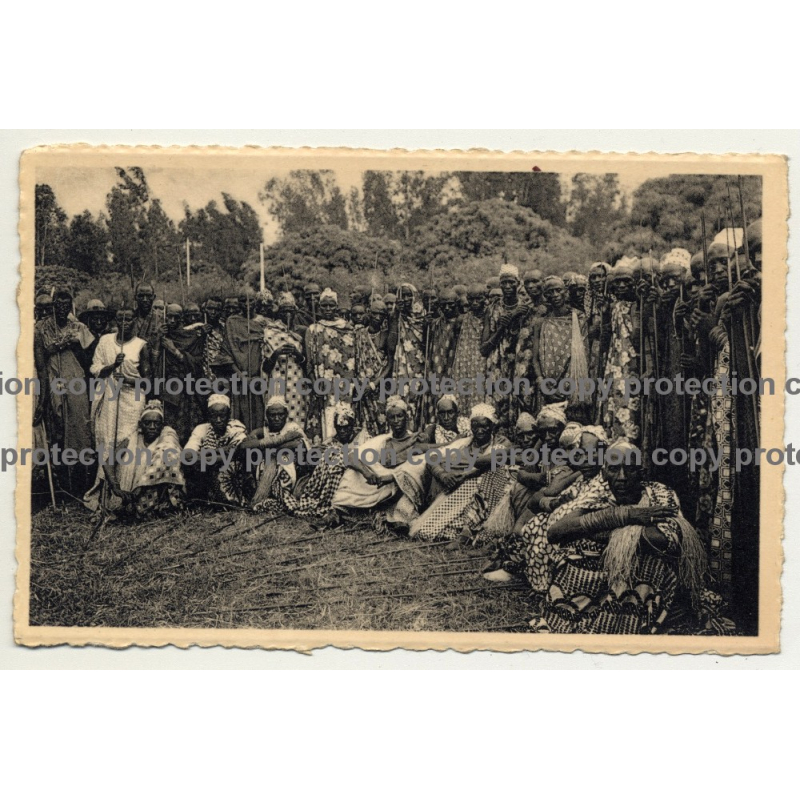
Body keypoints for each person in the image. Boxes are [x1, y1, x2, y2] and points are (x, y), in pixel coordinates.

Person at [532, 440, 717, 635]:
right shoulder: (600, 495)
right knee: (573, 560)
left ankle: (627, 624)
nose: (621, 477)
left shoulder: (659, 493)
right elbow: (555, 532)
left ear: (641, 473)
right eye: (614, 469)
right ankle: (589, 614)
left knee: (646, 563)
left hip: (644, 575)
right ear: (604, 473)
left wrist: (596, 529)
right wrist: (626, 516)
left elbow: (662, 540)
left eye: (629, 469)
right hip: (600, 576)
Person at [483, 423, 607, 590]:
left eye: (593, 454)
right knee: (536, 518)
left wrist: (551, 502)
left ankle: (529, 571)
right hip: (560, 524)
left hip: (580, 531)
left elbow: (552, 492)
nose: (586, 459)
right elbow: (542, 494)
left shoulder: (600, 477)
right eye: (581, 453)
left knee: (542, 520)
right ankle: (527, 570)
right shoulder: (578, 473)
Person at [407, 403, 514, 543]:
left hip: (485, 498)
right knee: (429, 531)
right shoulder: (464, 444)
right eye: (475, 426)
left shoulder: (500, 443)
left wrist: (465, 475)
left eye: (484, 426)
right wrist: (442, 475)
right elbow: (432, 456)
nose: (479, 431)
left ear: (492, 426)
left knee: (473, 484)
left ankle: (469, 531)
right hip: (454, 493)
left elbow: (494, 460)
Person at [84, 308, 151, 505]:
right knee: (107, 442)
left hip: (132, 401)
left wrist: (129, 380)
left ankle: (127, 490)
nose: (124, 322)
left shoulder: (141, 345)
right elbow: (94, 368)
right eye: (120, 318)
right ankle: (106, 493)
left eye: (129, 319)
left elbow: (148, 383)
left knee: (128, 441)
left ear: (135, 321)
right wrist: (112, 367)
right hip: (109, 399)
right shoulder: (105, 341)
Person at [34, 285, 95, 494]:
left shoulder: (78, 327)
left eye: (66, 305)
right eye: (58, 305)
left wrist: (74, 344)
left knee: (78, 426)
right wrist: (59, 345)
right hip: (53, 377)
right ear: (52, 307)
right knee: (57, 427)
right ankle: (60, 483)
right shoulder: (42, 328)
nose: (62, 309)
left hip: (75, 379)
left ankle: (79, 481)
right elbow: (42, 354)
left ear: (71, 306)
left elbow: (89, 358)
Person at [84, 400, 185, 519]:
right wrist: (116, 488)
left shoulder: (166, 442)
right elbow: (108, 463)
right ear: (140, 424)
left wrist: (142, 487)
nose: (152, 427)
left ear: (162, 425)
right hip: (126, 493)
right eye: (148, 423)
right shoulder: (131, 440)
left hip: (151, 494)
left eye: (156, 423)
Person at [332, 396, 422, 513]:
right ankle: (345, 505)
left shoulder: (415, 439)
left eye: (399, 416)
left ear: (406, 417)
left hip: (398, 483)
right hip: (378, 483)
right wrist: (367, 473)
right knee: (354, 470)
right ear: (388, 420)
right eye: (392, 417)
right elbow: (350, 456)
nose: (396, 421)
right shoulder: (383, 440)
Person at [282, 402, 359, 523]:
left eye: (346, 427)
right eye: (339, 427)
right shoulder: (330, 442)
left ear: (353, 425)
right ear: (335, 426)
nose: (343, 431)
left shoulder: (362, 438)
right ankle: (326, 503)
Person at [238, 396, 311, 511]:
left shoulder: (292, 428)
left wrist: (264, 445)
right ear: (267, 416)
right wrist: (279, 440)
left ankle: (268, 498)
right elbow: (244, 445)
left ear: (286, 415)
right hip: (266, 470)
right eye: (272, 415)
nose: (276, 418)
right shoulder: (264, 431)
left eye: (280, 414)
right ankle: (267, 499)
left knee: (278, 462)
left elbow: (297, 445)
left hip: (292, 474)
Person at [305, 288, 357, 442]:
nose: (328, 309)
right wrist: (315, 383)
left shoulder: (347, 329)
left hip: (343, 385)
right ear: (319, 307)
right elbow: (309, 361)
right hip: (323, 384)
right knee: (325, 418)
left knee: (344, 417)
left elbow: (352, 358)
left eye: (331, 305)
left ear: (336, 306)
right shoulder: (313, 330)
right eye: (324, 306)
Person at [481, 265, 530, 425]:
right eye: (504, 283)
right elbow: (484, 349)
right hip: (498, 365)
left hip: (521, 364)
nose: (508, 286)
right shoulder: (492, 309)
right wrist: (502, 327)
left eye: (511, 282)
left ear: (518, 283)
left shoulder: (527, 307)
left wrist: (517, 315)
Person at [151, 303, 206, 442]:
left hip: (190, 389)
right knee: (170, 429)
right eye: (169, 317)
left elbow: (197, 362)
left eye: (176, 317)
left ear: (181, 318)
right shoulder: (161, 335)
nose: (172, 321)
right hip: (170, 389)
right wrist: (158, 339)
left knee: (191, 429)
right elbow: (154, 360)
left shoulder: (192, 336)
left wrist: (175, 351)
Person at [183, 394, 248, 503]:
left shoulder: (236, 428)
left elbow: (238, 453)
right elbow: (186, 455)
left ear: (229, 415)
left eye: (222, 415)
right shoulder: (201, 429)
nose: (218, 420)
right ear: (208, 416)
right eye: (214, 416)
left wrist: (201, 456)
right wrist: (220, 451)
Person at [218, 294, 267, 432]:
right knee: (238, 419)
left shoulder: (264, 323)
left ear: (256, 301)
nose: (246, 304)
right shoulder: (232, 322)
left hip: (259, 379)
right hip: (239, 379)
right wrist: (242, 377)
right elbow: (226, 353)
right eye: (242, 301)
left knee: (259, 418)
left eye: (250, 300)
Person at [262, 291, 308, 428]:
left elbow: (308, 363)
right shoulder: (270, 332)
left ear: (295, 312)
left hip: (297, 383)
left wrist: (297, 354)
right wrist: (276, 354)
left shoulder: (302, 332)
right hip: (277, 382)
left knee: (297, 417)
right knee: (277, 415)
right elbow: (265, 367)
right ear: (278, 312)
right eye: (283, 311)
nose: (287, 315)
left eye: (290, 311)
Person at [385, 283, 426, 424]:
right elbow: (391, 345)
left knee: (418, 396)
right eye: (402, 296)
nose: (406, 299)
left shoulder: (424, 315)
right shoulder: (395, 316)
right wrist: (397, 314)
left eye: (409, 295)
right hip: (402, 364)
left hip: (420, 363)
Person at [450, 283, 488, 401]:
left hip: (483, 360)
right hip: (464, 363)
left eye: (479, 299)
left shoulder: (490, 315)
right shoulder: (462, 319)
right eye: (471, 299)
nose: (475, 302)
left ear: (485, 298)